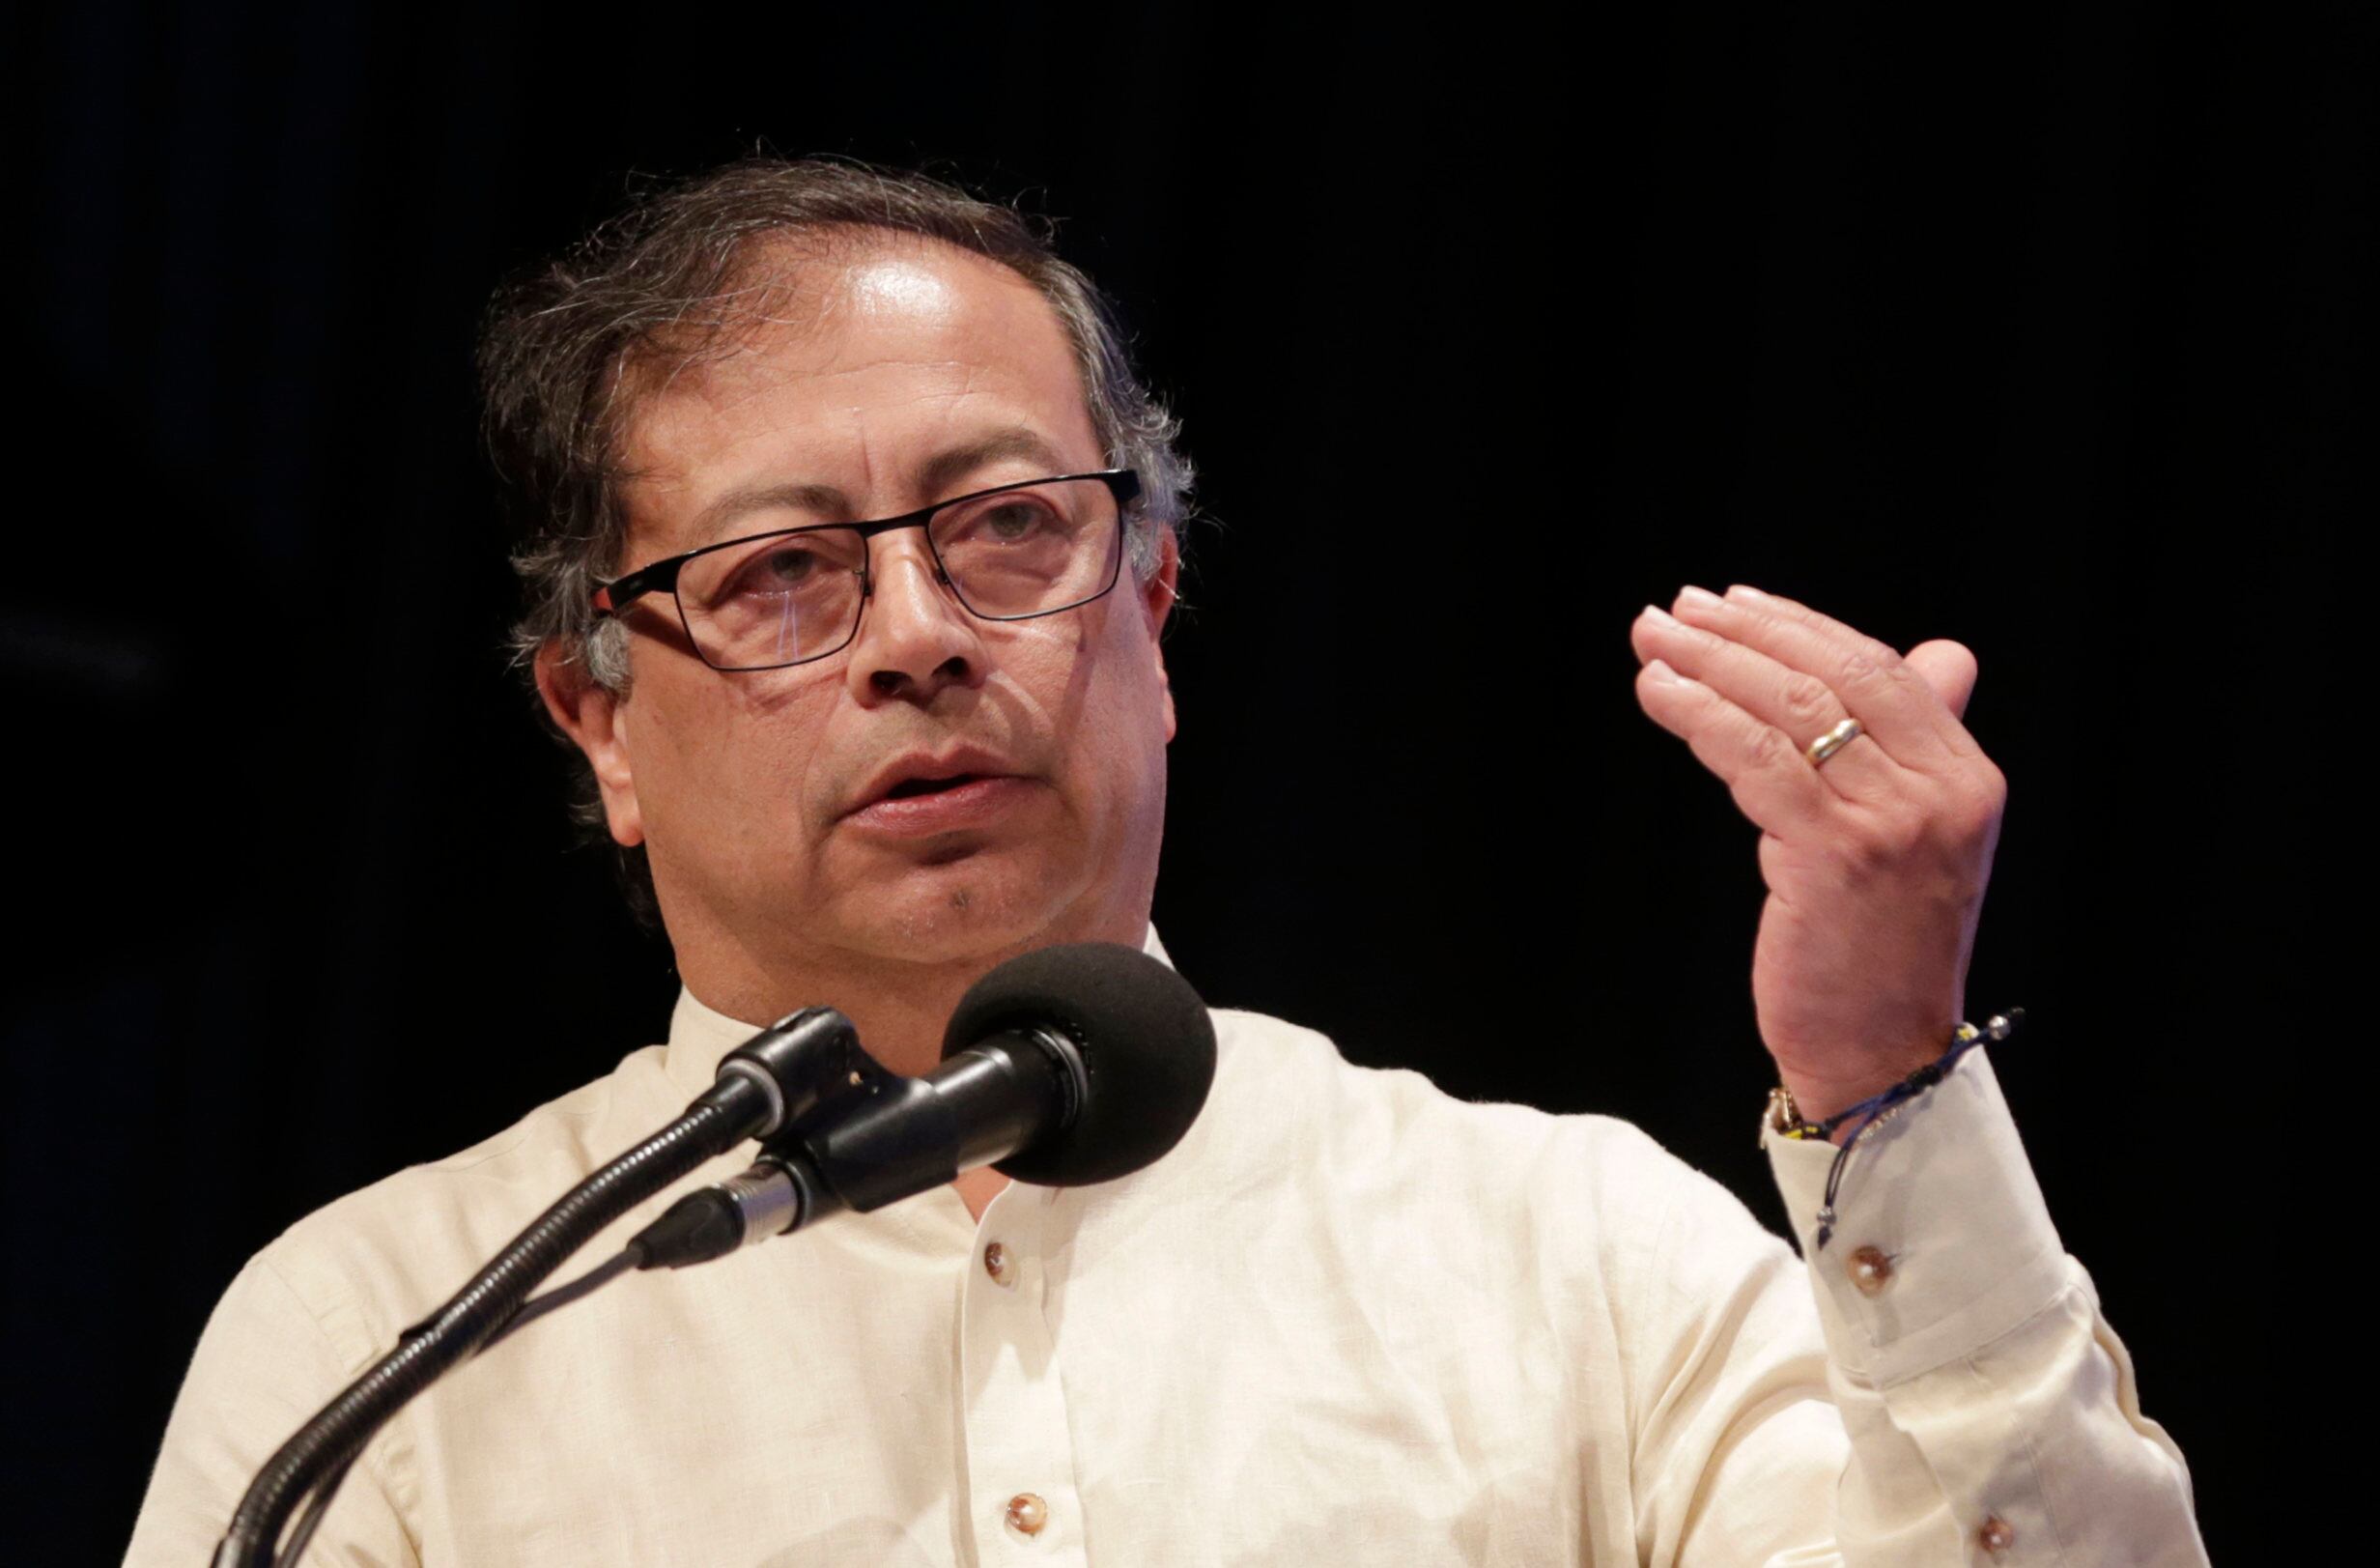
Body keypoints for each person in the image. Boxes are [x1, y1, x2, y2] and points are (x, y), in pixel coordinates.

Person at [126, 157, 2208, 1566]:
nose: (923, 631)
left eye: (1009, 524)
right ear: (598, 724)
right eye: (777, 576)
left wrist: (1882, 1069)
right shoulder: (386, 1334)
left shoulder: (1564, 1257)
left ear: (1154, 603)